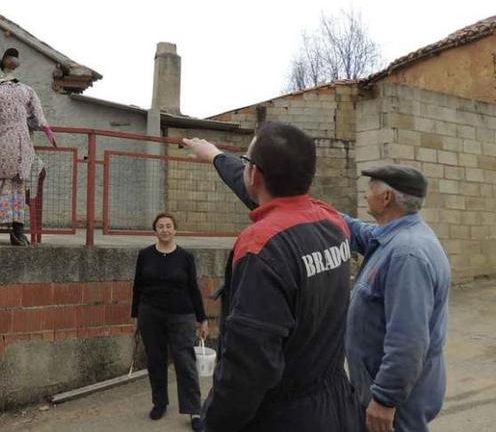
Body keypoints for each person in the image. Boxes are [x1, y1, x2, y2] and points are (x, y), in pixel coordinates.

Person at [182, 122, 363, 432]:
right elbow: (269, 200)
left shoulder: (261, 247)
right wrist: (214, 156)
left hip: (283, 417)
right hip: (335, 402)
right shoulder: (332, 222)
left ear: (254, 174)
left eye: (246, 162)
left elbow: (249, 369)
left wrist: (214, 423)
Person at [343, 165, 450, 432]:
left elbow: (408, 341)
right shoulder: (395, 237)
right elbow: (356, 231)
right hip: (399, 392)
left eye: (371, 189)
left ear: (387, 197)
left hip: (398, 404)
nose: (366, 195)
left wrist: (384, 399)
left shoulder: (407, 254)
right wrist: (310, 208)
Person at [131, 212, 208, 431]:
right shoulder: (145, 255)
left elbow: (193, 289)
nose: (165, 230)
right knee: (155, 360)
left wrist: (202, 319)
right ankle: (160, 403)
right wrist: (135, 316)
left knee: (185, 362)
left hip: (181, 316)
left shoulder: (185, 257)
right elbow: (137, 287)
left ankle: (194, 410)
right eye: (160, 226)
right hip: (150, 315)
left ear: (175, 230)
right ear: (155, 231)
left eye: (168, 226)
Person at [0, 48, 56, 245]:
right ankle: (15, 232)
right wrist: (46, 129)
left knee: (0, 184)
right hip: (18, 142)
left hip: (6, 141)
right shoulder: (25, 90)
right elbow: (38, 115)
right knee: (15, 185)